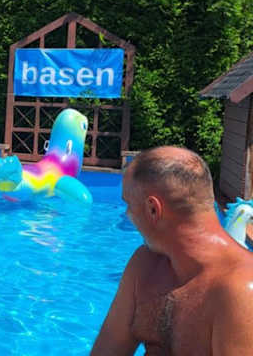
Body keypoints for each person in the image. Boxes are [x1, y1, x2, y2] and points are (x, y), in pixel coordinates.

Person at [92, 146, 253, 355]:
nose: (128, 214)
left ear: (153, 209)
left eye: (129, 205)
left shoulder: (240, 292)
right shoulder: (144, 266)